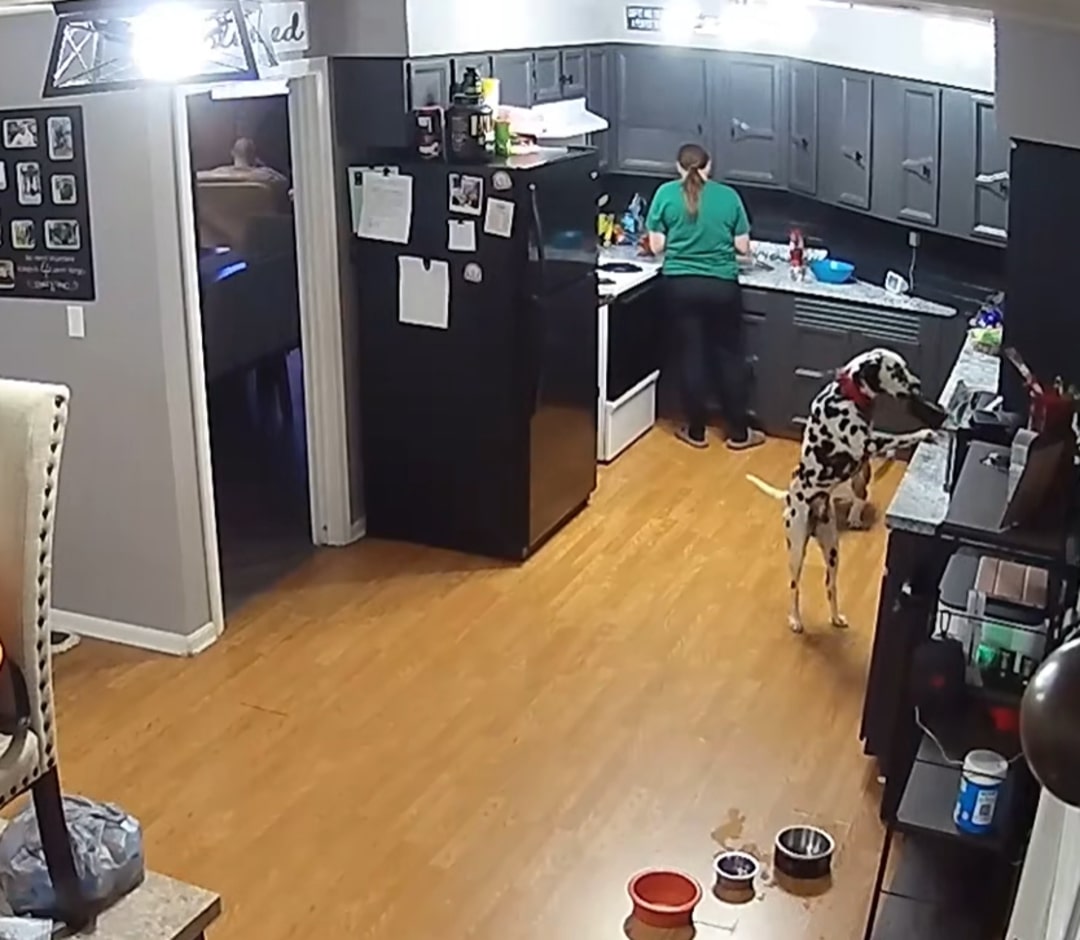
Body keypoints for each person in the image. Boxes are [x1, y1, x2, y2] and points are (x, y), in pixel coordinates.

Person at [645, 143, 764, 451]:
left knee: (691, 355)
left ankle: (696, 431)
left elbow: (657, 247)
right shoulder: (728, 197)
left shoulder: (665, 194)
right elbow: (743, 248)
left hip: (680, 286)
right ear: (709, 166)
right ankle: (738, 433)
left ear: (678, 167)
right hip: (722, 286)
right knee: (729, 357)